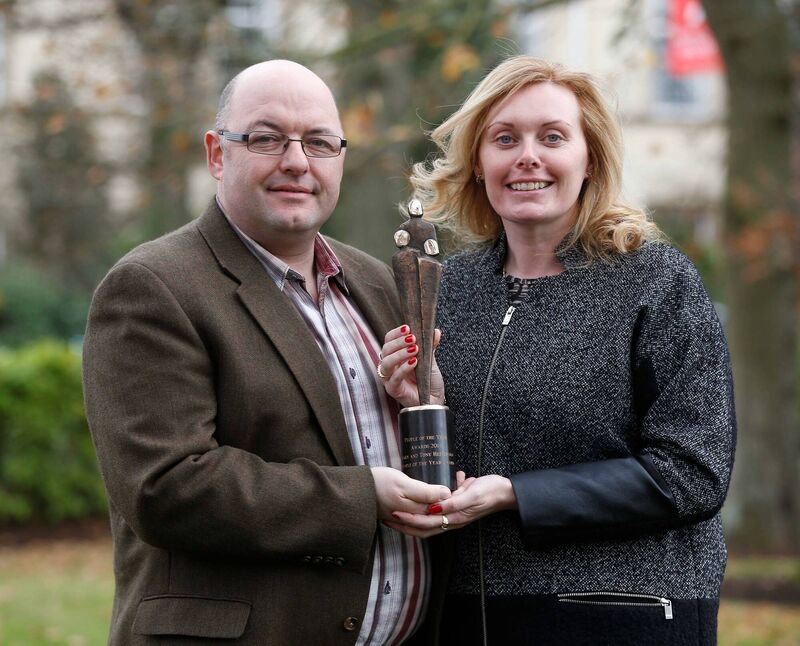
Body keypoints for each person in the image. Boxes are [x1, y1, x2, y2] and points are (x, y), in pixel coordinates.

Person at [82, 60, 451, 645]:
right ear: (216, 153)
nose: (297, 162)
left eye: (320, 143)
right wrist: (362, 498)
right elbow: (166, 487)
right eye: (266, 138)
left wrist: (424, 414)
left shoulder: (376, 281)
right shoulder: (153, 285)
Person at [378, 56, 736, 645]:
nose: (527, 156)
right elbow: (448, 482)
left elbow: (692, 471)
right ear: (478, 163)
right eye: (504, 138)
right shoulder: (451, 287)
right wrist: (426, 403)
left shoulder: (654, 279)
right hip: (468, 614)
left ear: (588, 157)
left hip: (622, 613)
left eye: (552, 136)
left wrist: (517, 494)